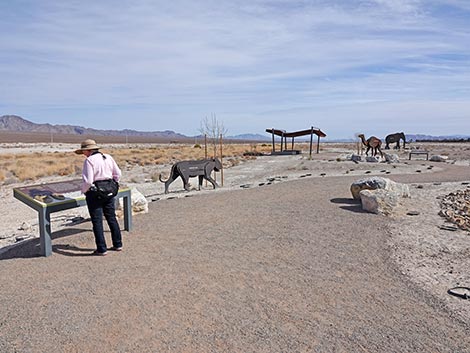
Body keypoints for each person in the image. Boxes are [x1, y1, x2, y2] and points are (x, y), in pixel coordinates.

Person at [75, 139, 123, 256]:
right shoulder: (107, 157)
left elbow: (88, 181)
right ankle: (118, 244)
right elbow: (118, 174)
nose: (84, 154)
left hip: (95, 193)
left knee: (97, 221)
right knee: (111, 217)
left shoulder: (89, 161)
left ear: (89, 150)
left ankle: (102, 248)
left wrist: (84, 191)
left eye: (84, 151)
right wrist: (113, 184)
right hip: (109, 191)